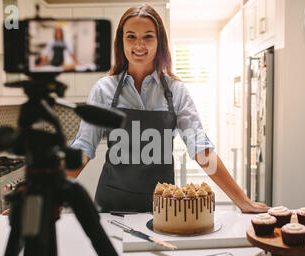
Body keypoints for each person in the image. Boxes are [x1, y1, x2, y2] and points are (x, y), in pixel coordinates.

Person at [69, 4, 269, 214]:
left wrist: (242, 200)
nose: (139, 44)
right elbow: (84, 147)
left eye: (148, 36)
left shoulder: (176, 92)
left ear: (159, 42)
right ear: (121, 41)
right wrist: (52, 196)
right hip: (111, 208)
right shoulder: (104, 90)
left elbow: (201, 151)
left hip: (163, 208)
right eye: (131, 36)